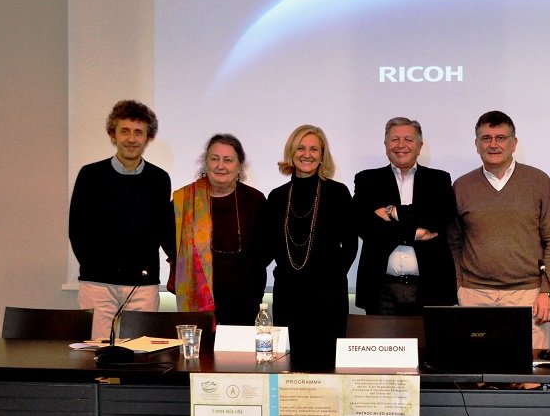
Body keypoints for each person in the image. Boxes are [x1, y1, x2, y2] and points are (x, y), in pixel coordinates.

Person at [450, 110, 550, 349]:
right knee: (479, 369)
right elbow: (453, 242)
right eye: (486, 138)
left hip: (528, 295)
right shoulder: (461, 186)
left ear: (514, 143)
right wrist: (459, 286)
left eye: (501, 138)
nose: (493, 144)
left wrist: (547, 292)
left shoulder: (538, 181)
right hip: (475, 295)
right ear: (476, 144)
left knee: (529, 369)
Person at [69, 100, 174, 340]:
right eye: (124, 131)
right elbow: (77, 229)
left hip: (142, 285)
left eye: (138, 132)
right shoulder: (90, 175)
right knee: (96, 352)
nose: (131, 139)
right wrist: (94, 266)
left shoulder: (159, 179)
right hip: (98, 283)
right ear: (112, 135)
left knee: (141, 351)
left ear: (148, 138)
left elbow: (160, 229)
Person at [260, 125, 357, 370]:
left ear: (322, 155)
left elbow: (350, 244)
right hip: (288, 296)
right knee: (290, 369)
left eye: (314, 149)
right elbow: (268, 247)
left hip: (328, 299)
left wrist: (334, 278)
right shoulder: (277, 197)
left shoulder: (338, 193)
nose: (307, 154)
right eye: (301, 148)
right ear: (291, 152)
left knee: (329, 368)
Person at [353, 117, 457, 315]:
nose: (401, 145)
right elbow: (365, 225)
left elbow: (440, 218)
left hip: (431, 287)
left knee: (430, 338)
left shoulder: (438, 179)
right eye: (394, 139)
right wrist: (415, 232)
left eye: (408, 139)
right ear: (385, 145)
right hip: (380, 289)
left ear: (419, 146)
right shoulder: (368, 180)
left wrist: (393, 213)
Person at [169, 134, 267, 325]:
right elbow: (170, 241)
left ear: (239, 166)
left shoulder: (255, 200)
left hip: (244, 298)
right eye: (214, 159)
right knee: (199, 344)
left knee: (239, 345)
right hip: (196, 296)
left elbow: (266, 248)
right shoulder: (186, 200)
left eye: (228, 160)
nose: (220, 166)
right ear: (205, 163)